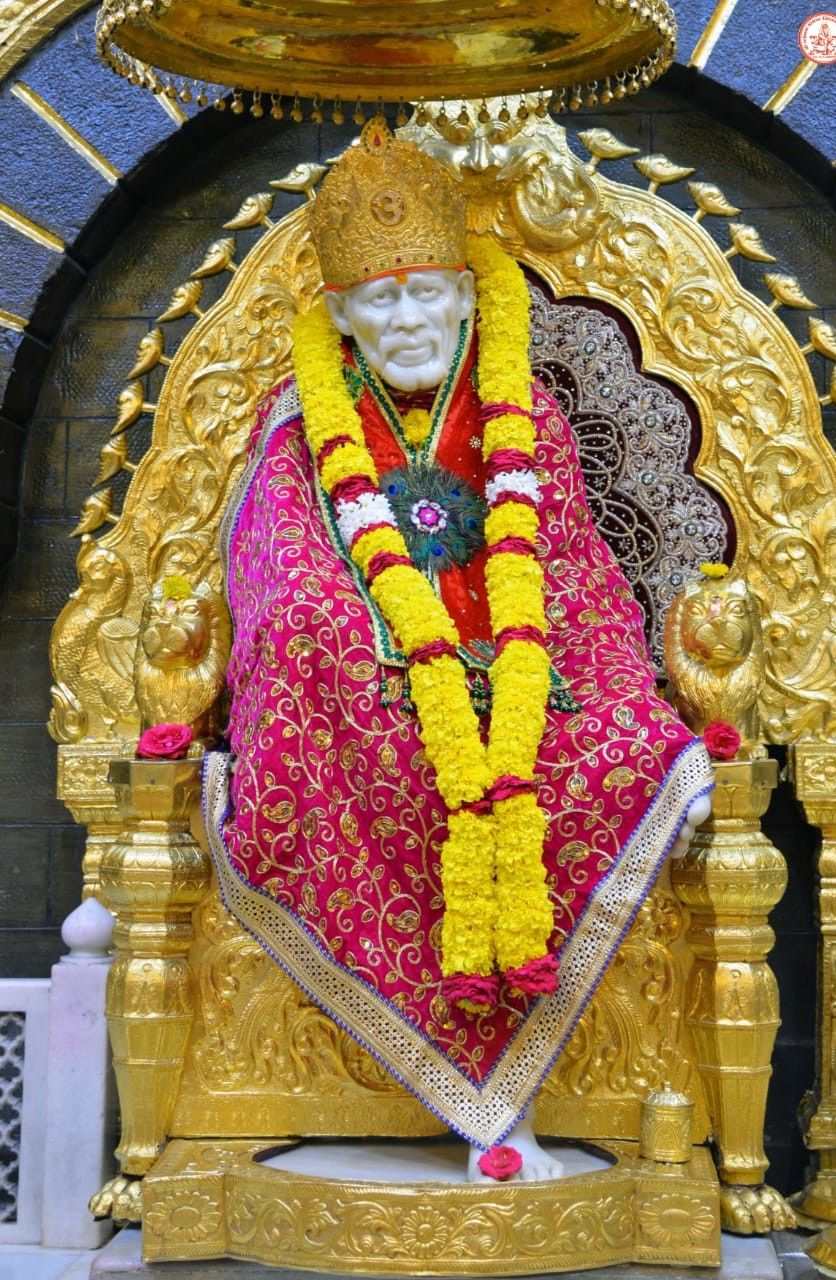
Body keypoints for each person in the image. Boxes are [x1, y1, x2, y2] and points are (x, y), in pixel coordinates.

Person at [204, 118, 713, 1182]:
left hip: (536, 686)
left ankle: (523, 1084)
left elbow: (578, 581)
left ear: (469, 296)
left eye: (426, 291)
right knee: (317, 664)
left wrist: (643, 710)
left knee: (626, 745)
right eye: (381, 299)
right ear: (339, 313)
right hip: (370, 695)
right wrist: (368, 656)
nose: (407, 317)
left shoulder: (525, 415)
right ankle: (452, 1089)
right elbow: (281, 578)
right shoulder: (300, 420)